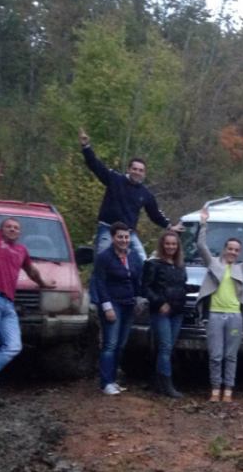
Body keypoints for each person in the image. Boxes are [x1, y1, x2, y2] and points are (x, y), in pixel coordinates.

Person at [0, 162, 57, 404]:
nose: (13, 229)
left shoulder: (21, 250)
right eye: (9, 226)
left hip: (7, 303)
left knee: (14, 346)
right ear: (1, 229)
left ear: (20, 232)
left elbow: (32, 271)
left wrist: (44, 284)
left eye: (16, 228)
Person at [78, 127, 182, 265]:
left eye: (141, 170)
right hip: (107, 228)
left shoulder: (145, 194)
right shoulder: (115, 179)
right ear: (129, 169)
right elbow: (96, 166)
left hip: (129, 233)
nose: (137, 172)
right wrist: (86, 147)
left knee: (143, 262)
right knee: (101, 261)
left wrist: (170, 227)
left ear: (144, 173)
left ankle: (138, 286)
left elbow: (155, 213)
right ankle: (98, 285)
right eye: (135, 169)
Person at [196, 206, 243, 403]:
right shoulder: (214, 264)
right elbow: (201, 245)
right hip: (215, 315)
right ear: (224, 249)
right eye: (230, 249)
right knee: (215, 355)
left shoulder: (241, 268)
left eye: (236, 250)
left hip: (235, 317)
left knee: (230, 355)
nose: (233, 252)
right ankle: (215, 388)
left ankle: (228, 389)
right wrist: (204, 223)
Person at [94, 222, 143, 396]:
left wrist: (139, 299)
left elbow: (137, 280)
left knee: (121, 345)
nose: (123, 240)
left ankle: (113, 380)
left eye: (126, 237)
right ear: (113, 238)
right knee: (110, 344)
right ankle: (105, 382)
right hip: (112, 303)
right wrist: (107, 306)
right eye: (120, 237)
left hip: (129, 304)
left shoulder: (133, 256)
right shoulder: (105, 257)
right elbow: (99, 282)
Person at [142, 230, 188, 398]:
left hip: (177, 312)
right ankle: (167, 386)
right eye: (168, 244)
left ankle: (156, 380)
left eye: (174, 244)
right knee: (165, 347)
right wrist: (159, 302)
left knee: (167, 348)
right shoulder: (153, 264)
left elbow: (182, 286)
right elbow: (145, 288)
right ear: (162, 244)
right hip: (161, 312)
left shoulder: (180, 265)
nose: (171, 247)